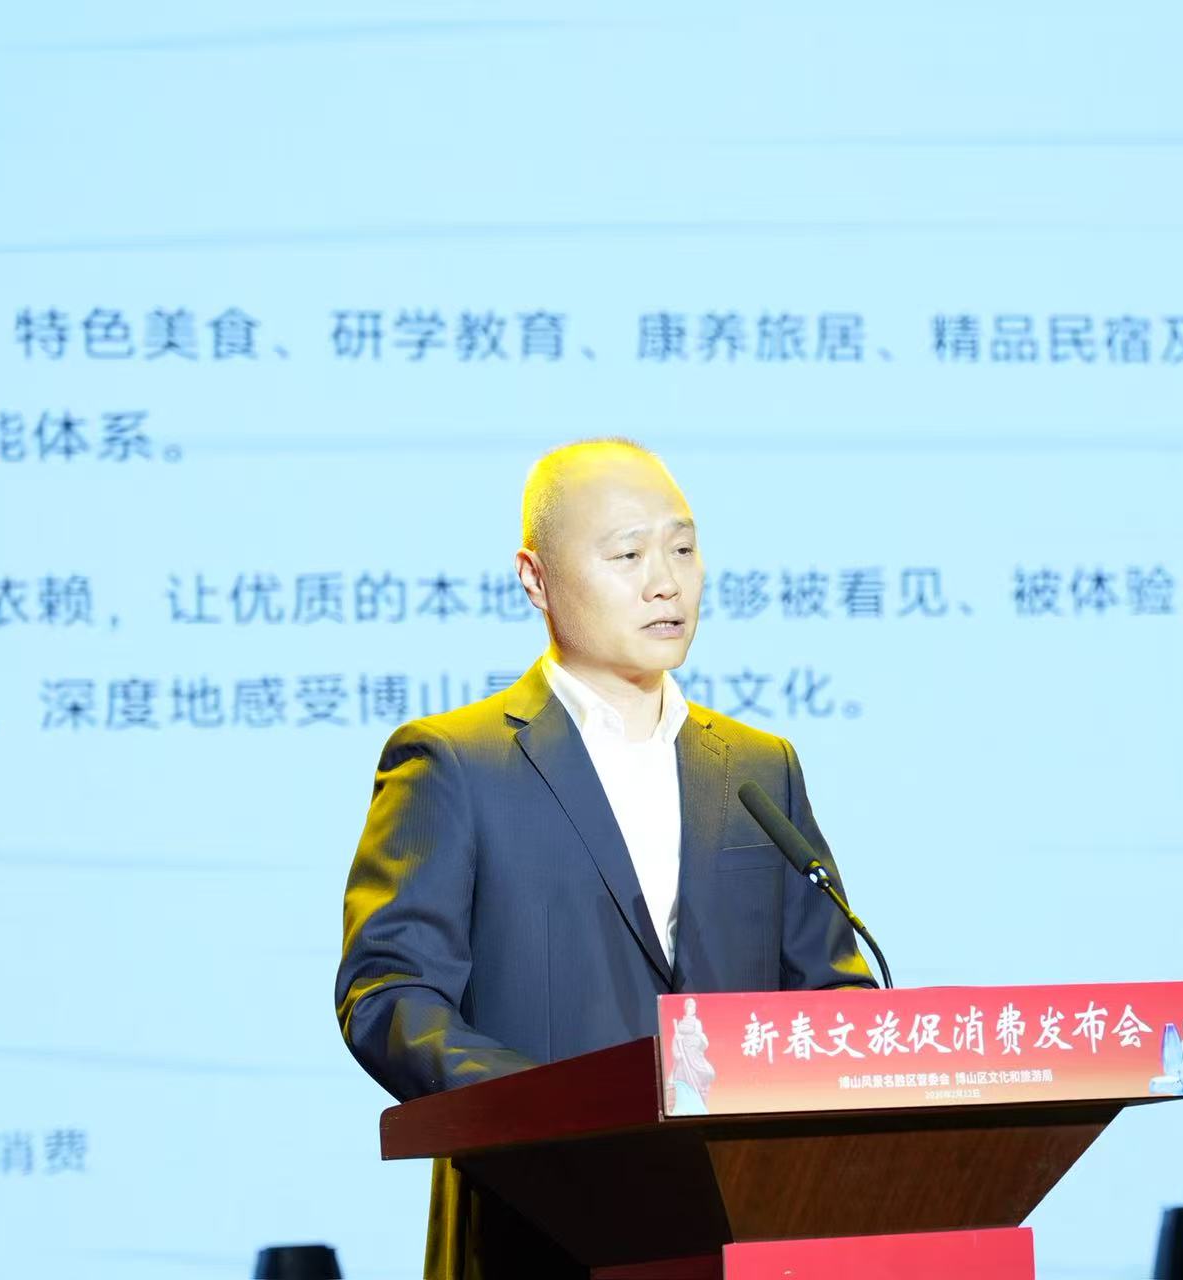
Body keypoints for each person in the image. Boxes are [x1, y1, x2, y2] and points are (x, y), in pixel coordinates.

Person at [335, 438, 876, 1277]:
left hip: (744, 1229)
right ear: (535, 578)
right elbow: (389, 996)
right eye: (627, 555)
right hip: (534, 1227)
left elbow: (832, 996)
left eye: (683, 549)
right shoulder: (455, 764)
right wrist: (554, 1115)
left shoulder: (758, 769)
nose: (666, 582)